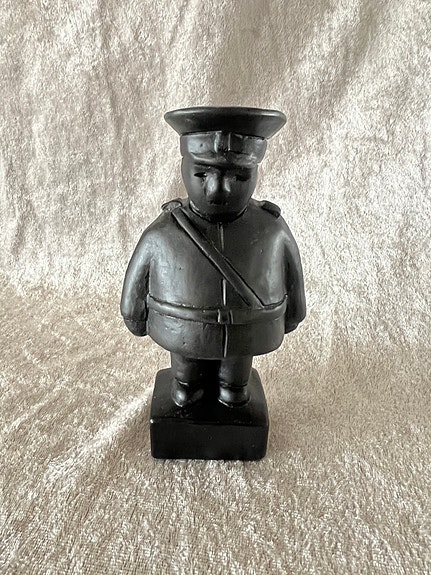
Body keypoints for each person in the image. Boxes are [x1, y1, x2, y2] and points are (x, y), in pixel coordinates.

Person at [121, 107, 306, 408]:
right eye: (202, 174)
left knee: (235, 384)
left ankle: (232, 388)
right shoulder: (167, 228)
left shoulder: (271, 227)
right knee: (187, 380)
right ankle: (187, 385)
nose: (219, 189)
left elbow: (292, 271)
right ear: (184, 168)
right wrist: (133, 313)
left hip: (245, 330)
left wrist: (295, 311)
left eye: (239, 176)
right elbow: (140, 272)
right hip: (184, 329)